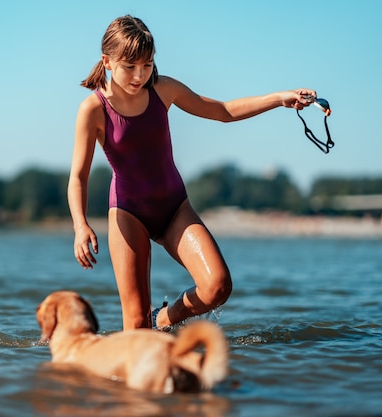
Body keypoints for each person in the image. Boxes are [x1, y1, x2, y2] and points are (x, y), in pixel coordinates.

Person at [67, 15, 316, 330]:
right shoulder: (93, 109)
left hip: (174, 209)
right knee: (135, 326)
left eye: (147, 65)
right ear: (107, 61)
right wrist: (80, 225)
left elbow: (222, 111)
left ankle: (166, 318)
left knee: (218, 287)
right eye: (130, 67)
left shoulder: (163, 88)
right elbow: (78, 176)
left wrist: (279, 98)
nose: (139, 75)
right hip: (128, 215)